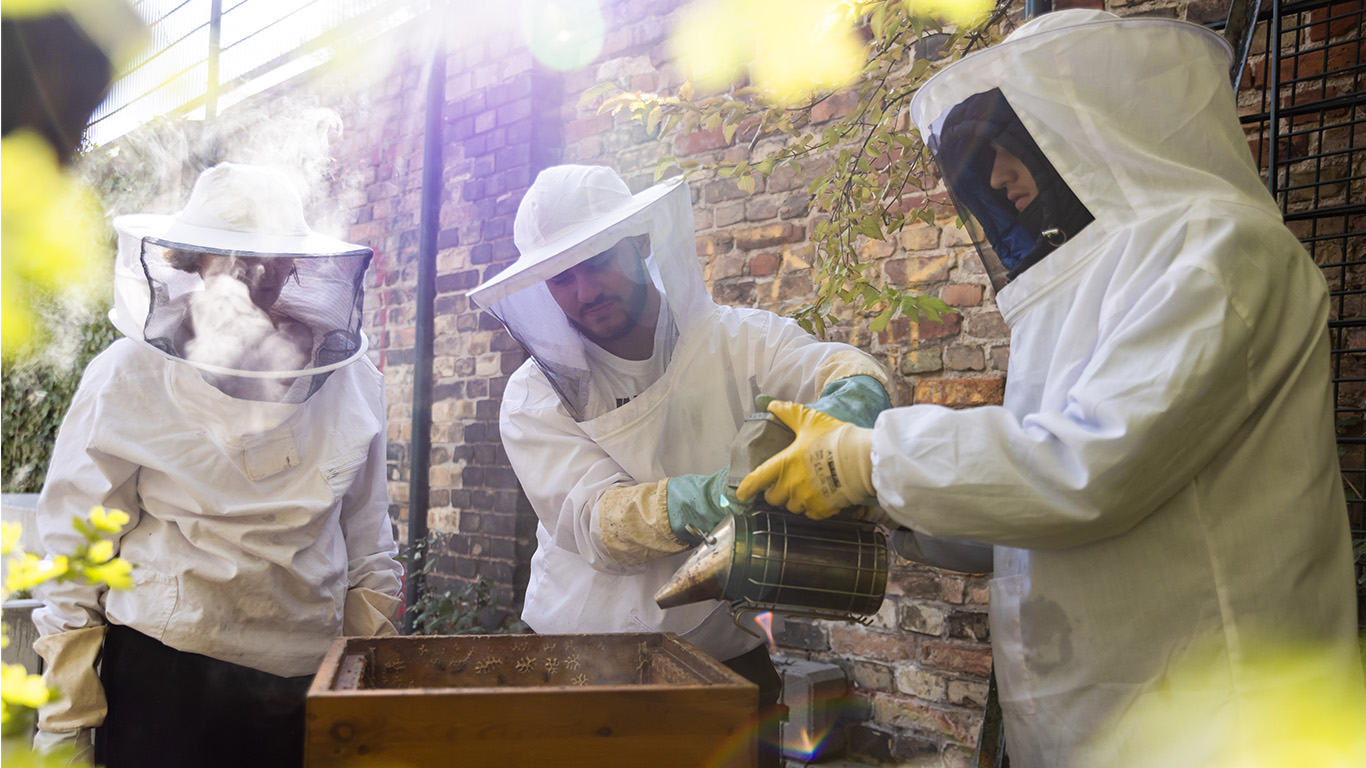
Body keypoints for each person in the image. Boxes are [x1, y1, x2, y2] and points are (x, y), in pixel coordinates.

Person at [738, 10, 1364, 768]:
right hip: (1108, 716)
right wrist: (883, 502)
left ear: (1099, 127)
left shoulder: (1220, 253)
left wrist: (872, 459)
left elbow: (1086, 467)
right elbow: (1029, 510)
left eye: (1019, 148)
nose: (1000, 178)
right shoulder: (1092, 285)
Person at [468, 164, 892, 766]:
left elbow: (837, 367)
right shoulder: (534, 396)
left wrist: (856, 397)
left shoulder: (739, 340)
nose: (585, 292)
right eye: (562, 279)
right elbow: (597, 521)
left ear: (640, 243)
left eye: (598, 262)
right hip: (584, 662)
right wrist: (713, 497)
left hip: (722, 650)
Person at [31, 162, 404, 768]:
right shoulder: (128, 373)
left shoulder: (351, 379)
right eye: (232, 256)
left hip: (304, 673)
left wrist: (368, 676)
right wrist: (65, 721)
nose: (256, 273)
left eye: (271, 256)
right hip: (165, 673)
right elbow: (77, 544)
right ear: (191, 259)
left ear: (294, 262)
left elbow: (367, 535)